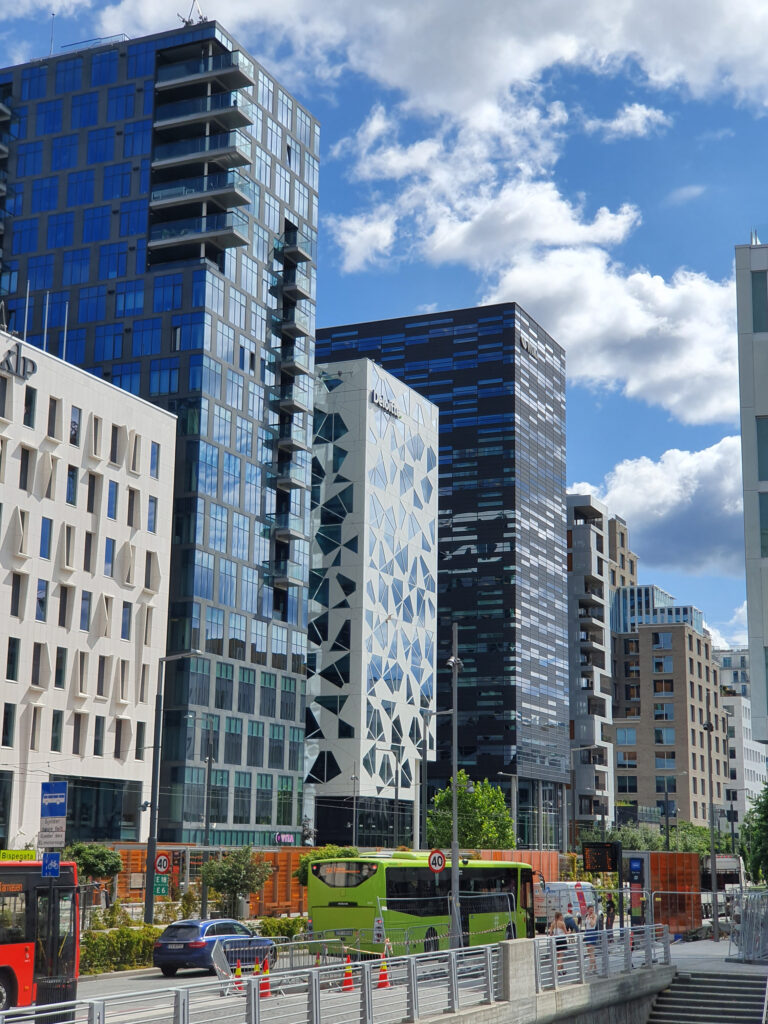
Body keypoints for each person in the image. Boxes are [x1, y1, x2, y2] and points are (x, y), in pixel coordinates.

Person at [583, 905, 598, 971]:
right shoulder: (587, 916)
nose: (591, 911)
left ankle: (590, 968)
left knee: (591, 951)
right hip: (587, 932)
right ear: (588, 910)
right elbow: (586, 925)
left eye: (592, 909)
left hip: (592, 933)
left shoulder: (594, 916)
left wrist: (591, 918)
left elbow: (592, 924)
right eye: (590, 909)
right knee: (589, 952)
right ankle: (595, 967)